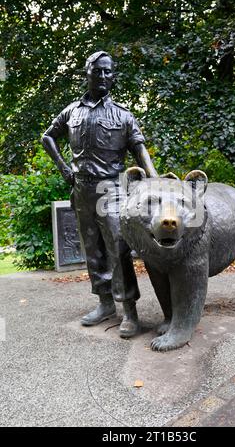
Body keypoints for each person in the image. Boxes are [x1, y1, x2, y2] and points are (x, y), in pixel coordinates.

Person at [41, 50, 157, 337]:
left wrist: (154, 178)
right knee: (92, 250)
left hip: (111, 189)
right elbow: (47, 137)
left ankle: (129, 311)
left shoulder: (123, 115)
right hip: (81, 189)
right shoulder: (71, 111)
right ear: (87, 72)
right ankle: (105, 303)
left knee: (118, 249)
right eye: (98, 71)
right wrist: (64, 169)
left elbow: (139, 148)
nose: (104, 76)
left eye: (108, 71)